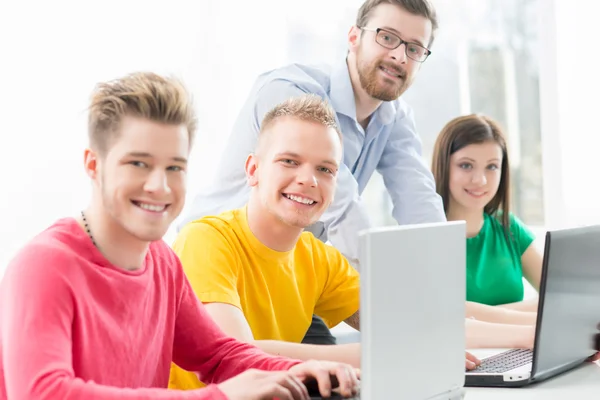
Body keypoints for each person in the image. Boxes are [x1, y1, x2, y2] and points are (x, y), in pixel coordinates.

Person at [0, 72, 360, 400]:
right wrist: (218, 397)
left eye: (175, 167)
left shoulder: (162, 261)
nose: (160, 186)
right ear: (94, 165)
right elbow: (44, 393)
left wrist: (297, 368)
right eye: (138, 163)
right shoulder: (43, 267)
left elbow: (219, 354)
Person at [178, 0, 446, 346]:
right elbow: (344, 207)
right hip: (224, 267)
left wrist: (441, 285)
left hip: (289, 273)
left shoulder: (394, 118)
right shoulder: (292, 91)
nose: (399, 56)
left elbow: (420, 203)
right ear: (354, 37)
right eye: (387, 37)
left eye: (414, 48)